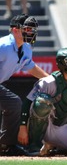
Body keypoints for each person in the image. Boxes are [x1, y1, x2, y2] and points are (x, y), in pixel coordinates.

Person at [0, 14, 49, 156]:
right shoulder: (4, 46)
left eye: (32, 30)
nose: (31, 33)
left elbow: (31, 67)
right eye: (27, 29)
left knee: (14, 103)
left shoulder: (26, 48)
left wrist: (50, 79)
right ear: (15, 30)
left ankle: (6, 145)